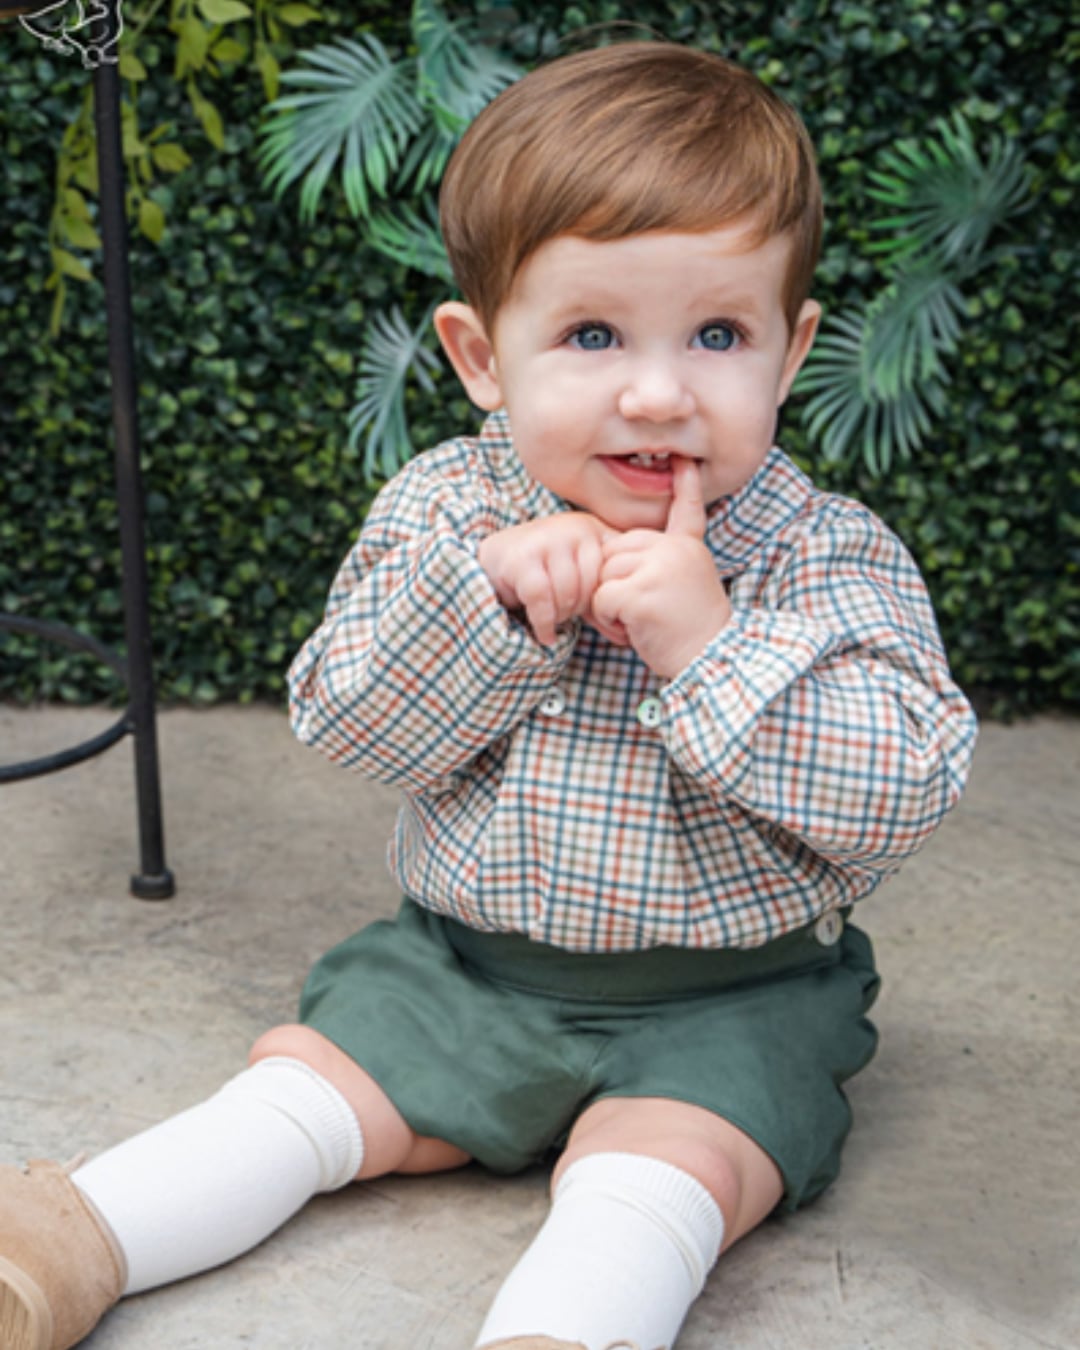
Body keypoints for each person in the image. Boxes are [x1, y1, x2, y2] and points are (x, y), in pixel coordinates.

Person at [0, 41, 978, 1350]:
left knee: (663, 1171)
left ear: (789, 352)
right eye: (591, 334)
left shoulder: (822, 551)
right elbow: (346, 718)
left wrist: (715, 646)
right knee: (296, 1097)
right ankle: (60, 1243)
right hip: (460, 972)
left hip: (733, 999)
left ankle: (561, 1332)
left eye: (718, 335)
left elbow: (905, 790)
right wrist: (488, 601)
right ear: (481, 356)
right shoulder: (449, 510)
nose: (657, 392)